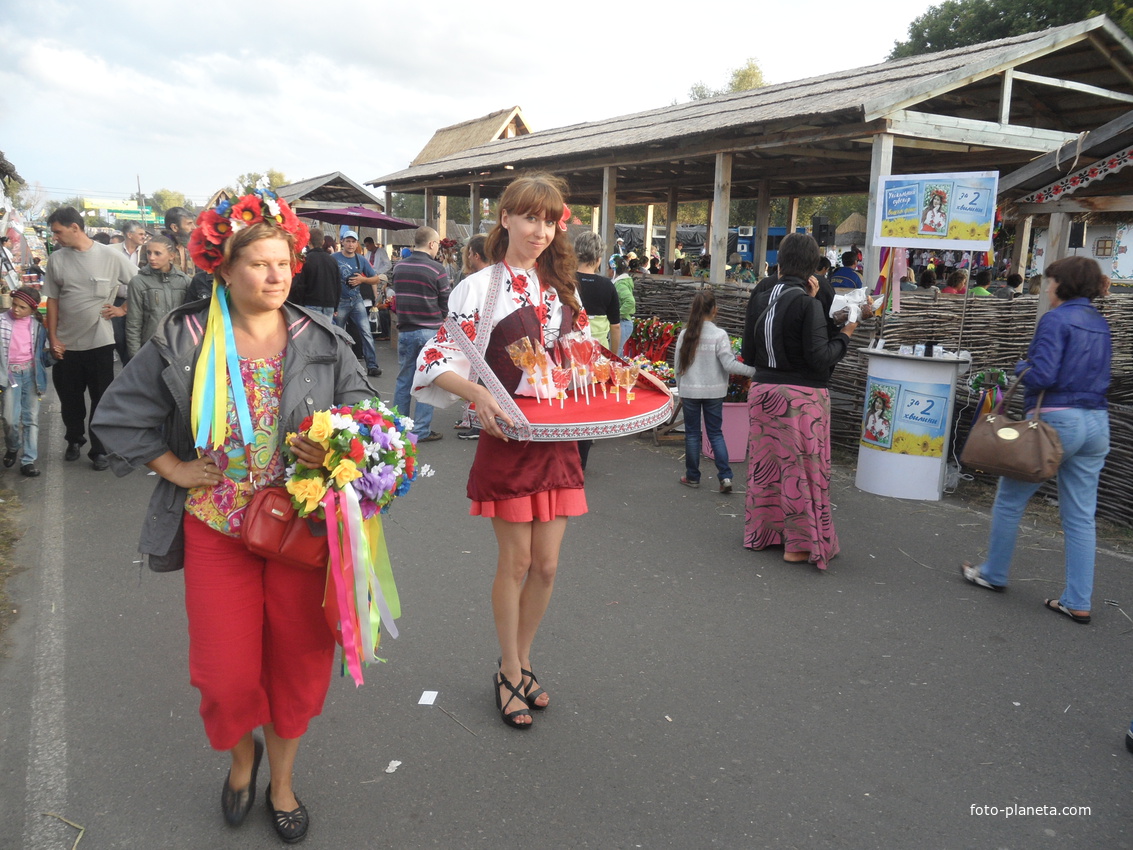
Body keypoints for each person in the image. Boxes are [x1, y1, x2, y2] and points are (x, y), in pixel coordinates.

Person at [91, 191, 376, 842]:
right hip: (217, 526)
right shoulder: (184, 336)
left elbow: (369, 424)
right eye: (259, 264)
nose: (276, 276)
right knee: (224, 674)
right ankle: (239, 757)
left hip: (299, 530)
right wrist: (174, 467)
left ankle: (280, 781)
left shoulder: (322, 338)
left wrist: (333, 449)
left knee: (298, 662)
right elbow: (116, 415)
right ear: (222, 267)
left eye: (284, 262)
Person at [411, 173, 587, 730]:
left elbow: (579, 354)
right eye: (528, 217)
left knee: (549, 565)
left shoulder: (560, 287)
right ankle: (509, 668)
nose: (539, 230)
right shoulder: (479, 288)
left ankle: (526, 656)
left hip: (555, 441)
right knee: (515, 563)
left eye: (549, 220)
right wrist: (479, 393)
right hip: (508, 442)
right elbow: (435, 360)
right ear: (506, 218)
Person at [961, 256, 1111, 625]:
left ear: (1064, 284)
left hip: (1056, 421)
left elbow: (1041, 375)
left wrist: (1019, 366)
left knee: (1010, 501)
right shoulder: (1100, 323)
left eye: (1050, 281)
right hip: (1097, 422)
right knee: (1080, 517)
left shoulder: (1056, 319)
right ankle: (1077, 600)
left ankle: (993, 573)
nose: (1046, 287)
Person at [740, 233, 858, 569]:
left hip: (762, 392)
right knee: (801, 472)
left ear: (779, 261)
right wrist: (847, 330)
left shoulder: (760, 296)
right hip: (801, 399)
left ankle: (763, 535)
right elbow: (821, 358)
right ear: (814, 267)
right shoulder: (808, 304)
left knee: (766, 470)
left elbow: (748, 353)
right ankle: (799, 545)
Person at [42, 205, 136, 469]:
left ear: (75, 227)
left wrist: (122, 309)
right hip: (66, 344)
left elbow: (140, 285)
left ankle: (99, 450)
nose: (56, 238)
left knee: (101, 398)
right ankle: (74, 439)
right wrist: (53, 338)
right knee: (70, 400)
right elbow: (52, 301)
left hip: (100, 342)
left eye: (58, 232)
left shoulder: (110, 256)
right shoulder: (57, 260)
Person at [675, 289, 755, 493]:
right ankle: (725, 477)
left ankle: (692, 476)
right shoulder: (720, 335)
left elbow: (677, 367)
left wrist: (681, 389)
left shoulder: (685, 334)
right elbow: (729, 364)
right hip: (715, 392)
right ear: (715, 310)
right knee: (716, 434)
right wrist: (754, 371)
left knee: (692, 435)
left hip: (690, 391)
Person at [391, 225, 449, 443]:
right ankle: (421, 430)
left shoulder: (399, 267)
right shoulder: (437, 269)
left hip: (405, 330)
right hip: (430, 333)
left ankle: (397, 427)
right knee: (427, 381)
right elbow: (446, 303)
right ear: (432, 244)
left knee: (404, 379)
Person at [573, 231, 621, 470]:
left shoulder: (566, 281)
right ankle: (584, 451)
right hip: (598, 351)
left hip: (570, 349)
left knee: (568, 400)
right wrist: (616, 354)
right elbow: (615, 325)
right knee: (589, 401)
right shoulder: (607, 286)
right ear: (599, 257)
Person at [1, 287, 52, 477]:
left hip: (31, 375)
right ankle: (13, 446)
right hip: (9, 377)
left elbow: (43, 356)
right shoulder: (2, 322)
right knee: (10, 419)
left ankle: (28, 460)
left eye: (22, 307)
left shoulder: (37, 326)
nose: (16, 310)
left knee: (31, 419)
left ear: (32, 310)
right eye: (14, 304)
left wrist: (55, 353)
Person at [125, 235, 191, 358]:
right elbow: (133, 322)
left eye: (157, 253)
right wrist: (135, 357)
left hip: (177, 348)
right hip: (149, 348)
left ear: (171, 255)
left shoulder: (184, 282)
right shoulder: (138, 282)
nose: (152, 258)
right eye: (149, 253)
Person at [455, 235, 491, 441]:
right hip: (489, 337)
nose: (468, 256)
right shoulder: (497, 277)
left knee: (479, 383)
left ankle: (479, 424)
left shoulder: (474, 281)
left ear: (476, 255)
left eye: (469, 253)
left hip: (479, 338)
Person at [332, 230, 382, 377]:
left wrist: (362, 280)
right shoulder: (333, 258)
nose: (350, 244)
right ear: (342, 242)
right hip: (340, 302)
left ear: (357, 244)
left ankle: (372, 365)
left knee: (366, 332)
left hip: (356, 300)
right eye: (347, 241)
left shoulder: (361, 260)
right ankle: (336, 366)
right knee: (338, 334)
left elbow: (376, 279)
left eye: (353, 241)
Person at [287, 227, 340, 319]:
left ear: (308, 242)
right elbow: (338, 284)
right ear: (323, 242)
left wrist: (299, 303)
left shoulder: (305, 260)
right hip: (329, 304)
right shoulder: (332, 260)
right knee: (326, 331)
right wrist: (335, 305)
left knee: (313, 331)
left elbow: (299, 285)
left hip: (311, 302)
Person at [163, 206, 198, 275]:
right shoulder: (158, 248)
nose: (194, 228)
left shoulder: (190, 248)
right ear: (174, 227)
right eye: (189, 224)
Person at [613, 256, 634, 356]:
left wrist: (617, 314)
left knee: (616, 353)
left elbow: (630, 301)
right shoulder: (620, 282)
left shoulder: (620, 284)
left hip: (623, 322)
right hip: (624, 322)